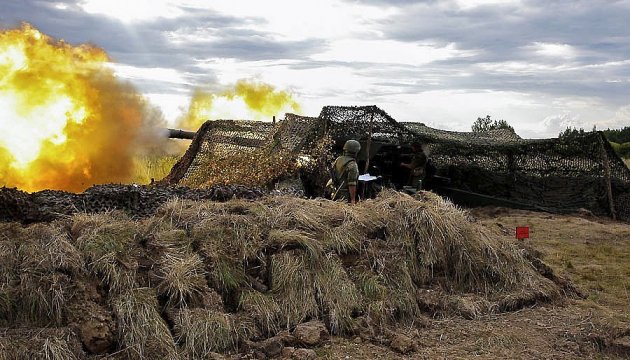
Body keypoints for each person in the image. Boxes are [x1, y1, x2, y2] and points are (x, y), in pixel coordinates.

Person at [330, 139, 361, 204]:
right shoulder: (352, 165)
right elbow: (351, 184)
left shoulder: (338, 159)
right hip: (344, 197)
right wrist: (353, 199)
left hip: (334, 191)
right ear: (356, 152)